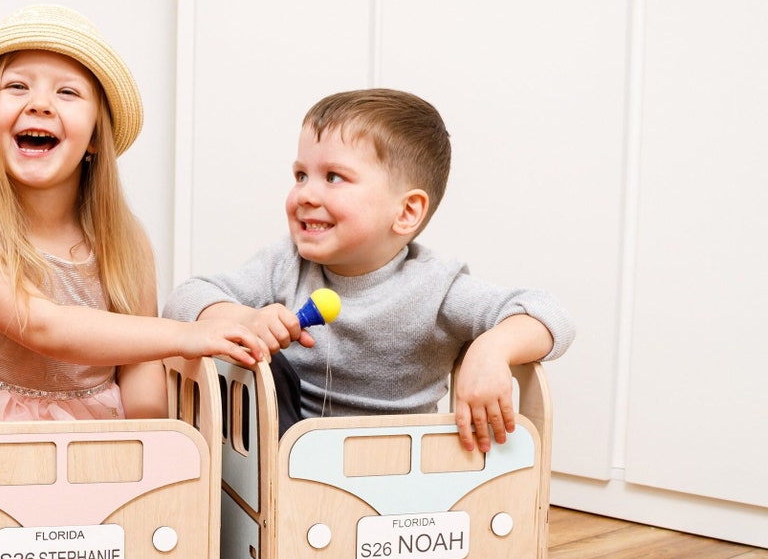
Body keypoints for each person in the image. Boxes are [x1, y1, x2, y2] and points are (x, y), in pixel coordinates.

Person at [163, 88, 574, 450]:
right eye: (301, 175)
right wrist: (243, 319)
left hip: (394, 468)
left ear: (406, 212)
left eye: (333, 177)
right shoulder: (284, 264)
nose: (305, 194)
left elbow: (551, 315)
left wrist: (492, 349)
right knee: (261, 364)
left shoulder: (436, 286)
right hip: (287, 461)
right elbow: (184, 299)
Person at [0, 3, 267, 422]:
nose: (40, 103)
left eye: (67, 92)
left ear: (95, 138)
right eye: (17, 86)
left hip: (102, 440)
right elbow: (42, 325)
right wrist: (184, 335)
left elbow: (139, 364)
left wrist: (151, 443)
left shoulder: (126, 244)